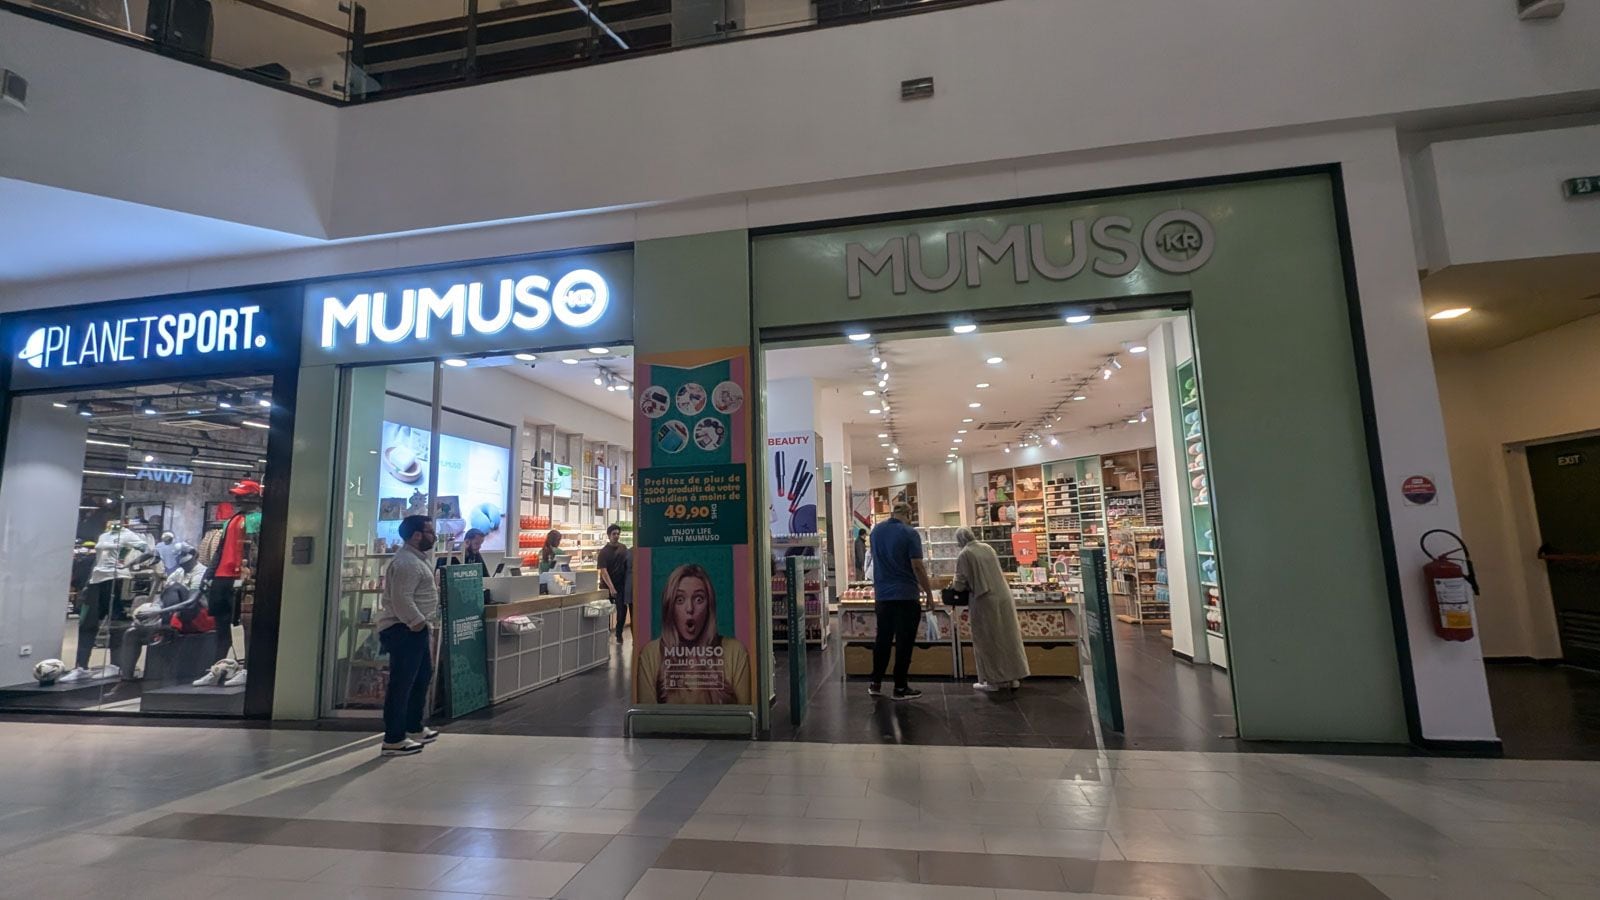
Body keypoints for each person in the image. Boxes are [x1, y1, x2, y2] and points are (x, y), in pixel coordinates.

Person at [634, 563, 752, 705]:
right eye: (680, 600)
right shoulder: (650, 655)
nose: (690, 608)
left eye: (698, 599)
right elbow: (648, 716)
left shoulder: (735, 652)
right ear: (670, 607)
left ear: (709, 607)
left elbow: (743, 715)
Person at [376, 515, 441, 757]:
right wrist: (416, 622)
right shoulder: (406, 563)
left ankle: (414, 726)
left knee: (421, 677)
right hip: (404, 630)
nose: (433, 536)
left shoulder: (416, 560)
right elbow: (402, 598)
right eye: (430, 531)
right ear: (416, 535)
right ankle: (393, 738)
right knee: (402, 684)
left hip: (415, 629)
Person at [868, 502, 934, 700]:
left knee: (883, 639)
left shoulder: (875, 532)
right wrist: (929, 593)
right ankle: (900, 687)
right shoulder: (910, 533)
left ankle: (875, 683)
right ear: (908, 514)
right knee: (904, 642)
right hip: (906, 595)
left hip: (882, 595)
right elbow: (917, 566)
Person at [953, 527, 1030, 691]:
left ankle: (992, 681)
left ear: (960, 540)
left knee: (988, 639)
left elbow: (959, 584)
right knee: (1009, 637)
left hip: (984, 600)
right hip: (1003, 596)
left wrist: (955, 587)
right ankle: (1014, 677)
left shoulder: (965, 554)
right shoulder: (987, 548)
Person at [596, 524, 632, 644]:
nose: (616, 536)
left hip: (621, 586)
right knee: (606, 612)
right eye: (614, 534)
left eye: (618, 534)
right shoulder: (603, 552)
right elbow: (603, 571)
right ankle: (604, 634)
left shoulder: (623, 548)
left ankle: (618, 634)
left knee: (622, 611)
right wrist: (611, 588)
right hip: (606, 587)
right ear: (609, 535)